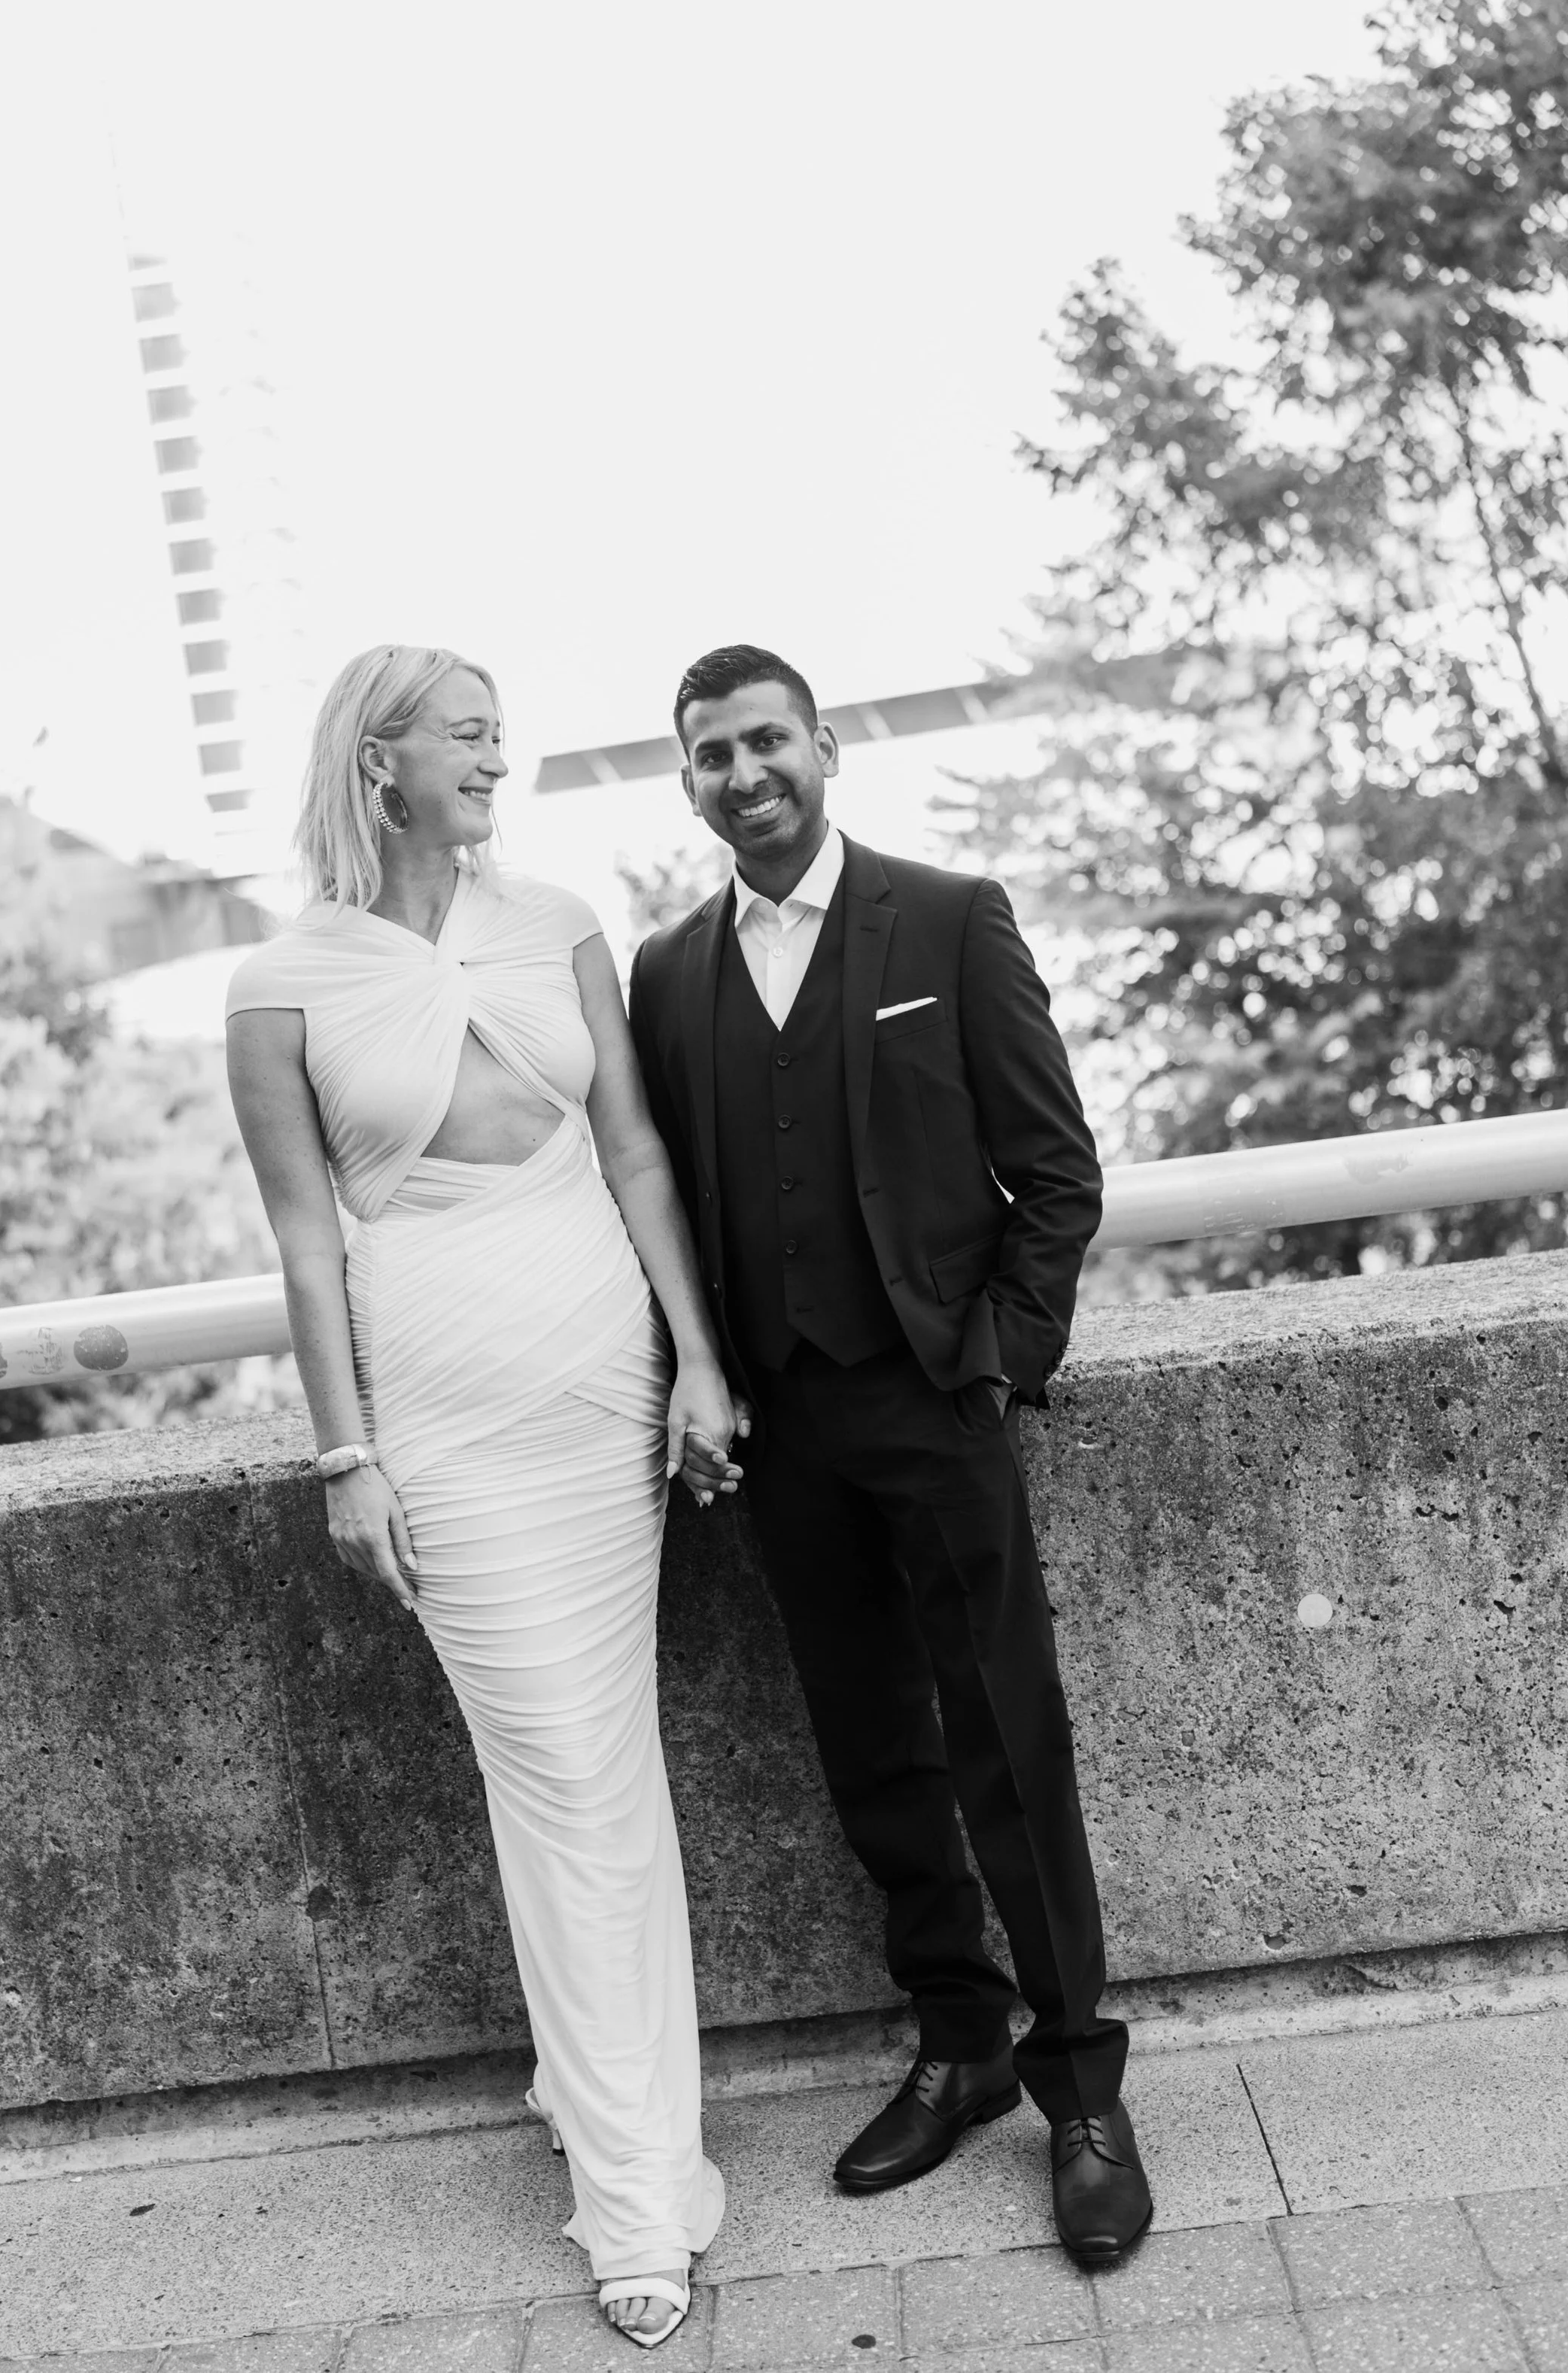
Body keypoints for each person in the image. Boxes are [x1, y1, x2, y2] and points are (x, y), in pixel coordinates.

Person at [225, 644, 739, 2349]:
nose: (493, 756)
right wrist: (342, 1456)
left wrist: (701, 1365)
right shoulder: (277, 986)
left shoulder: (559, 920)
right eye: (463, 733)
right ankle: (632, 2200)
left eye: (496, 733)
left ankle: (599, 2105)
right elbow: (309, 1240)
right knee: (563, 1776)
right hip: (440, 1425)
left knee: (608, 1772)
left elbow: (640, 1154)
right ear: (377, 762)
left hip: (604, 1400)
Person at [628, 643, 1153, 2264]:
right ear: (690, 781)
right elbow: (668, 1205)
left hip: (935, 1405)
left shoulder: (944, 918)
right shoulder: (664, 973)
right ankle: (962, 2042)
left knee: (1009, 1742)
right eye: (709, 754)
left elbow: (1054, 1173)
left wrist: (994, 1365)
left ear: (824, 747)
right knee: (869, 1752)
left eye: (764, 739)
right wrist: (697, 1378)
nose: (741, 773)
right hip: (782, 1432)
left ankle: (1080, 2089)